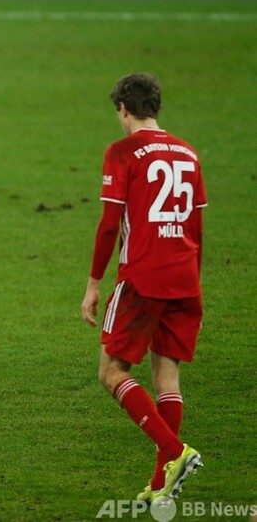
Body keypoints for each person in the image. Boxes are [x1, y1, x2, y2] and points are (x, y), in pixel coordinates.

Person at [80, 73, 204, 503]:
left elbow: (109, 224)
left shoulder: (122, 152)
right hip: (185, 280)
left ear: (123, 108)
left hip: (143, 279)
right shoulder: (188, 153)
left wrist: (94, 283)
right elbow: (197, 226)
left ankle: (174, 451)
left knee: (112, 372)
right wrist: (192, 279)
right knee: (167, 378)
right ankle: (159, 485)